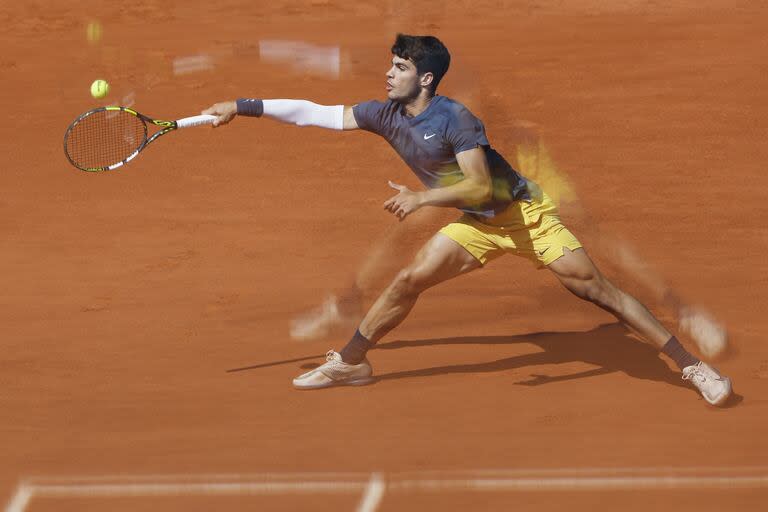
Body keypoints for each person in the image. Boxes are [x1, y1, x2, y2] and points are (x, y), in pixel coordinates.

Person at [202, 34, 732, 406]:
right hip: (476, 225)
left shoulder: (454, 117)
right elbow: (314, 112)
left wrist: (420, 199)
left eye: (401, 67)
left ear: (425, 77)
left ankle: (693, 366)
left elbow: (479, 184)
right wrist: (242, 105)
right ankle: (351, 361)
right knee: (409, 280)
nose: (388, 72)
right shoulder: (384, 114)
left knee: (598, 292)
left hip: (522, 217)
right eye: (391, 64)